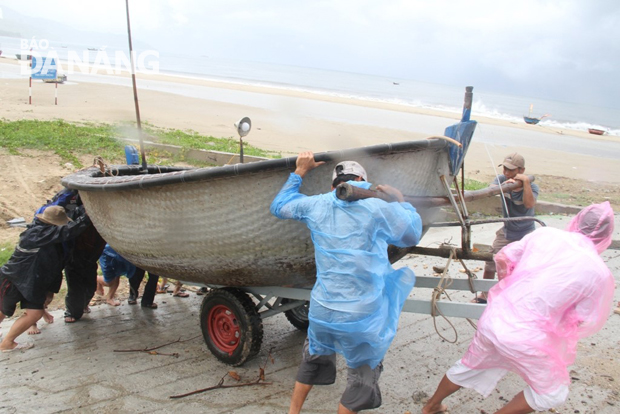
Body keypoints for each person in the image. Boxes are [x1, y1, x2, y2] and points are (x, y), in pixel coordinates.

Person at [422, 201, 615, 414]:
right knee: (551, 392)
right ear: (606, 235)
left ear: (577, 220)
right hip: (529, 338)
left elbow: (504, 257)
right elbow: (583, 319)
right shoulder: (599, 272)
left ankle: (432, 406)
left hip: (495, 319)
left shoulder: (545, 234)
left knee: (469, 365)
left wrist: (512, 287)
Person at [270, 152, 423, 414]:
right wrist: (401, 201)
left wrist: (300, 171)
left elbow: (279, 205)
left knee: (313, 358)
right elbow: (411, 235)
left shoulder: (316, 205)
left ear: (333, 185)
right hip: (362, 317)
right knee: (361, 378)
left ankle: (292, 412)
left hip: (322, 311)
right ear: (363, 180)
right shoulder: (379, 206)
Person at [0, 206, 91, 352]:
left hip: (34, 282)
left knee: (34, 313)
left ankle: (7, 342)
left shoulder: (51, 237)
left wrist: (50, 290)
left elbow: (56, 265)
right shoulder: (35, 233)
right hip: (14, 277)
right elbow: (68, 231)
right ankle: (7, 343)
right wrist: (87, 216)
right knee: (3, 309)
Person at [474, 153, 539, 303]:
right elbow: (490, 190)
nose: (506, 173)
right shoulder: (502, 179)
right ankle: (485, 294)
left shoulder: (532, 186)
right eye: (505, 168)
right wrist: (505, 186)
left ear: (521, 170)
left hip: (525, 232)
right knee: (491, 260)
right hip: (507, 230)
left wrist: (525, 184)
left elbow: (529, 204)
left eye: (511, 170)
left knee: (522, 266)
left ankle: (518, 297)